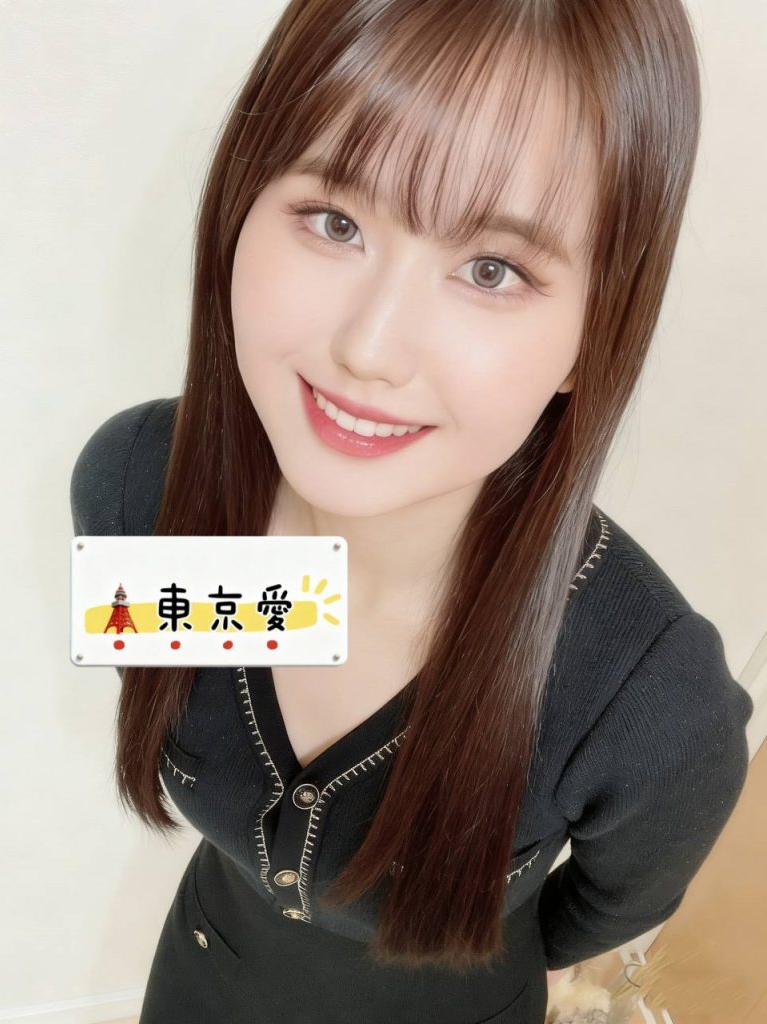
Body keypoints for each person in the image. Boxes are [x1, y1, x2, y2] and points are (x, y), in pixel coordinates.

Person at [69, 1, 754, 1021]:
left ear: (596, 330)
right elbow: (245, 641)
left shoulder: (650, 703)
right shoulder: (136, 490)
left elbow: (609, 905)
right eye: (335, 220)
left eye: (492, 270)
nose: (371, 348)